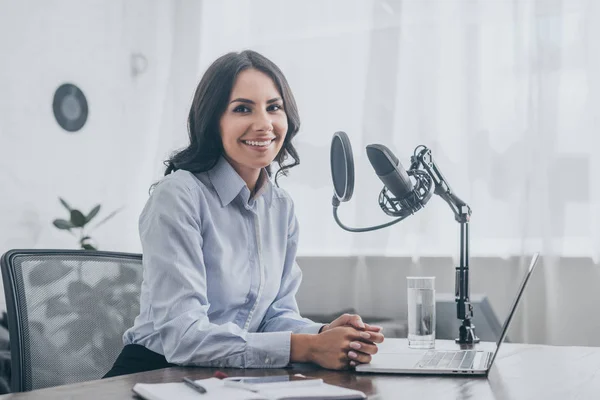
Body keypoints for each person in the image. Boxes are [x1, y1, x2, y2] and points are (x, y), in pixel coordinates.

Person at [104, 50, 384, 378]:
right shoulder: (178, 196)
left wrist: (323, 335)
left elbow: (273, 316)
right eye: (242, 109)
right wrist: (305, 347)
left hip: (224, 377)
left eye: (274, 107)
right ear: (213, 120)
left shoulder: (280, 206)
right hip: (154, 374)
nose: (264, 124)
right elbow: (184, 337)